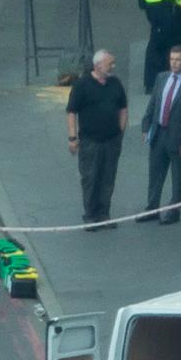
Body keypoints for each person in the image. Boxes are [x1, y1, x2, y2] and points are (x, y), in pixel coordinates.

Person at [66, 49, 127, 230]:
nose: (113, 67)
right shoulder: (82, 85)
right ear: (97, 65)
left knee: (108, 178)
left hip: (111, 140)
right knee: (90, 178)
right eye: (110, 64)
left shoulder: (116, 83)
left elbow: (123, 108)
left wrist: (120, 132)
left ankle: (104, 214)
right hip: (90, 142)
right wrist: (72, 137)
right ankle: (90, 215)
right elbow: (71, 112)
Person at [139, 45, 181, 224]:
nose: (174, 63)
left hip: (178, 138)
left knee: (178, 177)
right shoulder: (161, 78)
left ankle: (174, 212)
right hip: (159, 133)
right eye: (172, 59)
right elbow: (154, 103)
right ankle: (152, 209)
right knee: (155, 174)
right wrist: (146, 125)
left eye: (178, 59)